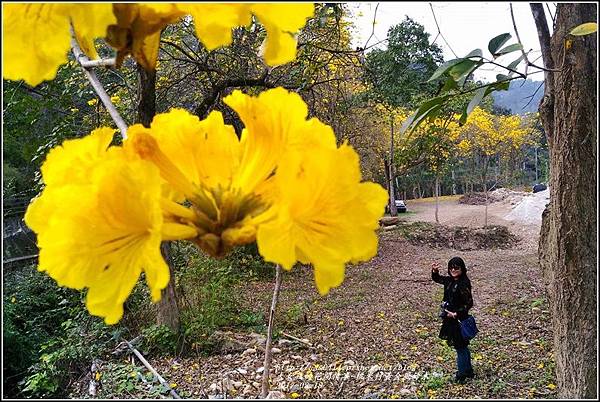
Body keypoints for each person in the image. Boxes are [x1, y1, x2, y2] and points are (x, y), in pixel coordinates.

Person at [432, 256, 475, 383]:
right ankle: (468, 371)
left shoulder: (463, 283)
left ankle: (462, 375)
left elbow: (469, 303)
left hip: (458, 320)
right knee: (462, 346)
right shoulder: (449, 281)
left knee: (460, 347)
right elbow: (437, 279)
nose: (453, 270)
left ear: (462, 268)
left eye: (456, 267)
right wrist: (434, 271)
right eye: (451, 267)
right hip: (450, 319)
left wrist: (456, 313)